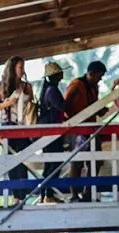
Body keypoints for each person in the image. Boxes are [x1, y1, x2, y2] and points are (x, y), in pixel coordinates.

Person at [0, 55, 35, 201]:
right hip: (7, 126)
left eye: (23, 67)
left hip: (23, 126)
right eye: (20, 67)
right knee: (11, 160)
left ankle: (22, 195)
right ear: (13, 68)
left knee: (21, 159)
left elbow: (32, 105)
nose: (22, 70)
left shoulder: (27, 86)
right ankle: (17, 196)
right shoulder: (1, 86)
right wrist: (6, 104)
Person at [64, 61, 107, 201]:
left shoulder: (94, 88)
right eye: (99, 76)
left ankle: (88, 193)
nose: (100, 79)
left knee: (96, 161)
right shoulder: (76, 85)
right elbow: (65, 106)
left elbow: (94, 105)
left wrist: (101, 109)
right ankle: (75, 195)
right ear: (91, 73)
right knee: (76, 162)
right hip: (77, 129)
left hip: (91, 128)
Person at [38, 62, 67, 202]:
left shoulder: (48, 90)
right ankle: (48, 194)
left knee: (50, 164)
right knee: (54, 163)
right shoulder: (52, 91)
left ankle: (45, 194)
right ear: (55, 75)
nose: (62, 75)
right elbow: (62, 107)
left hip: (48, 132)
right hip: (52, 132)